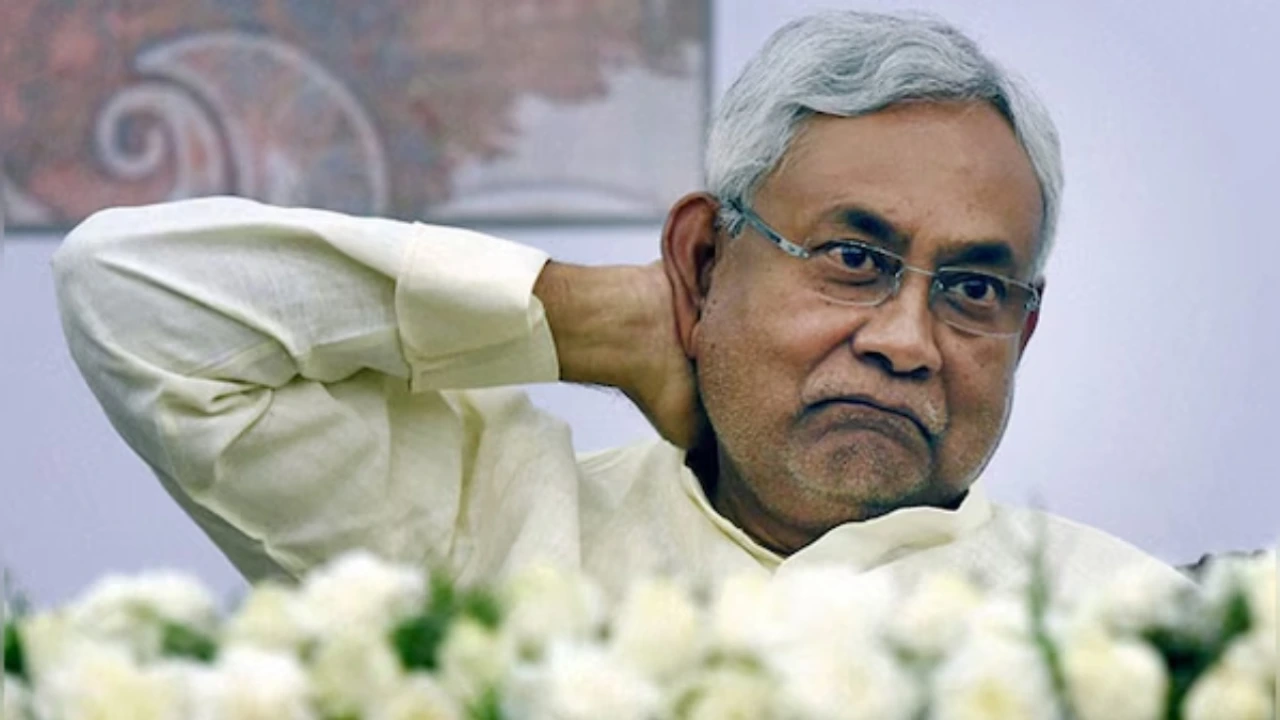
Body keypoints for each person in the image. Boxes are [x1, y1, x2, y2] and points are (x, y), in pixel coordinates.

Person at [53, 10, 1185, 598]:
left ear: (1022, 333)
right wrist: (594, 317)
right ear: (702, 260)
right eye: (851, 258)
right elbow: (133, 293)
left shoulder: (1123, 628)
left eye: (974, 290)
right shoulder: (482, 533)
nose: (905, 341)